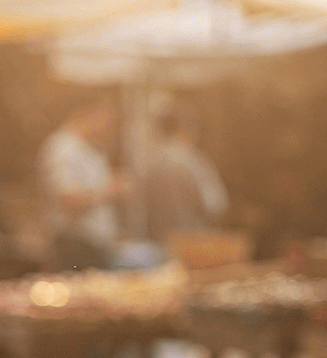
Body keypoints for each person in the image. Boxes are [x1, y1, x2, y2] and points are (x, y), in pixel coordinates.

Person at [37, 99, 125, 269]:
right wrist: (111, 191)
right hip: (75, 247)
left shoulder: (89, 149)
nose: (110, 127)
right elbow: (68, 200)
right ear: (89, 114)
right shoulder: (63, 149)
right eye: (107, 120)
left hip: (94, 247)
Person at [141, 107, 230, 245]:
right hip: (195, 245)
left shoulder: (149, 164)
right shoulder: (194, 161)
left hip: (160, 246)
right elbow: (216, 205)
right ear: (189, 127)